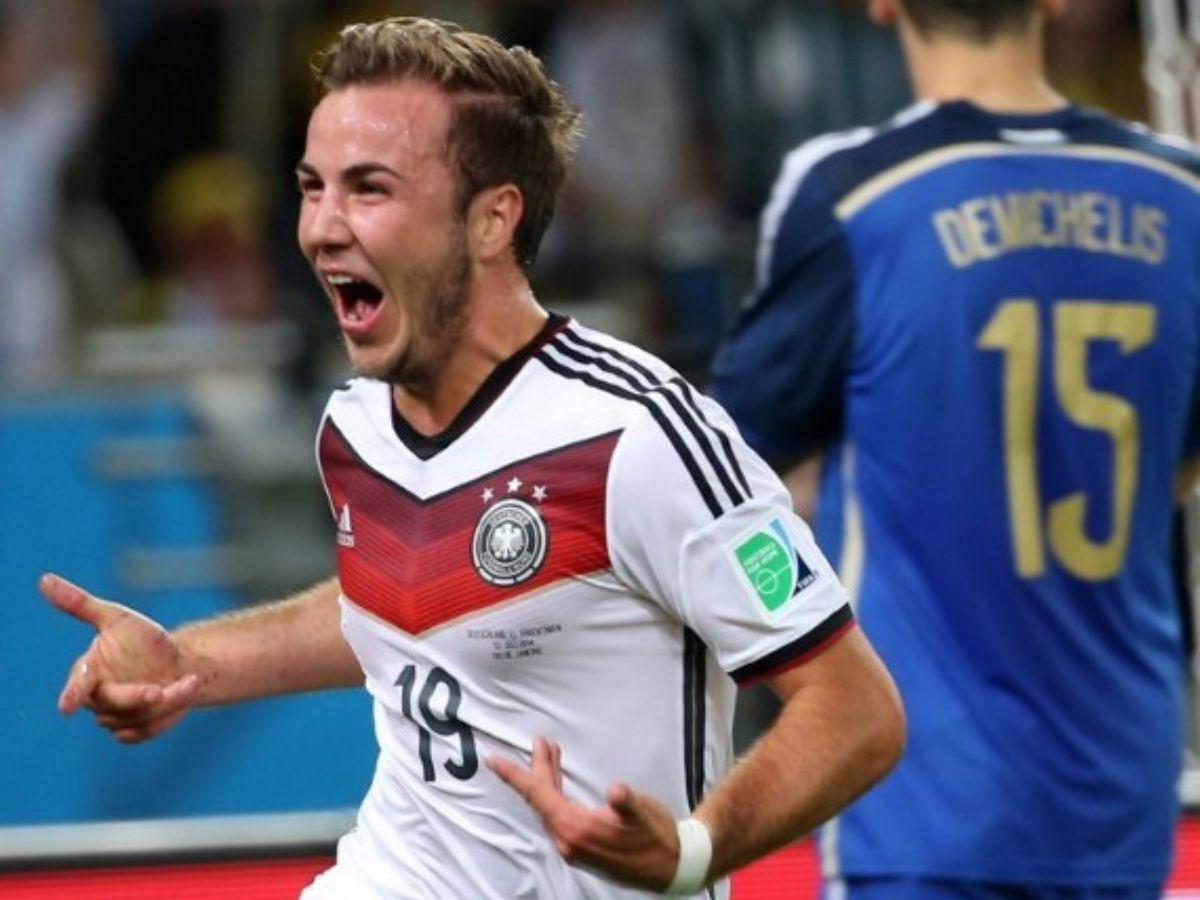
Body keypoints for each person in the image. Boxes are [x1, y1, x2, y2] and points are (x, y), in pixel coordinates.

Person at [41, 18, 905, 900]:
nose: (322, 228)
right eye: (312, 187)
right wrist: (189, 662)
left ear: (492, 220)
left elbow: (857, 709)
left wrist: (692, 852)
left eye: (368, 189)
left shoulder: (637, 438)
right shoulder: (356, 423)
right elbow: (405, 601)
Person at [711, 1, 1200, 898]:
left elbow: (713, 476)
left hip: (926, 799)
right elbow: (1175, 466)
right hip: (1123, 781)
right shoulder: (1181, 192)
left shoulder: (854, 193)